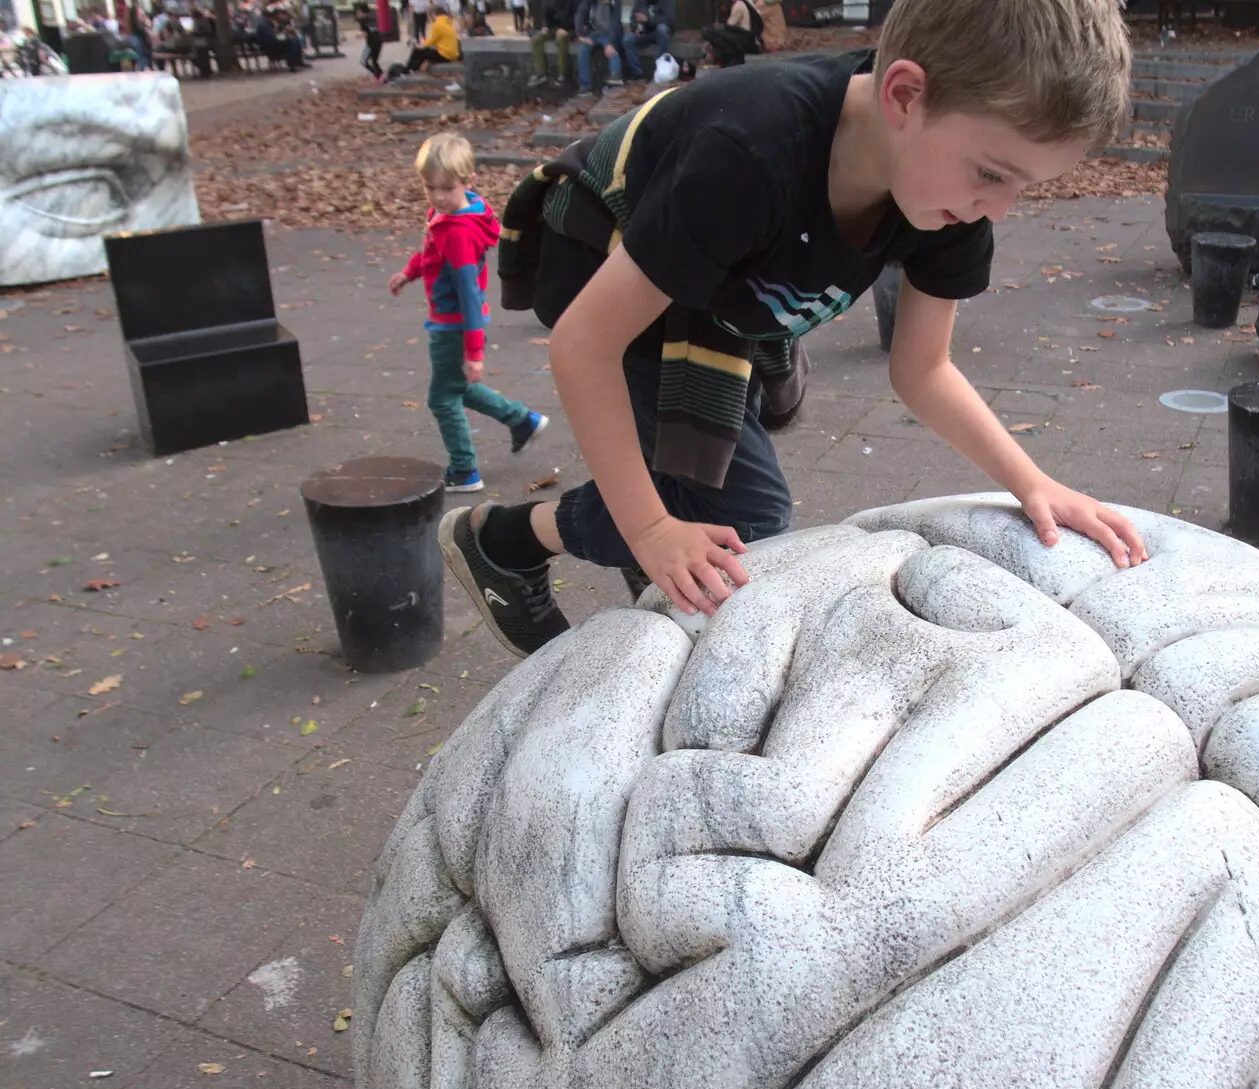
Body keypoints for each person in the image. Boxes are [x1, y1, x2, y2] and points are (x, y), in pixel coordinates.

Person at [441, 0, 1146, 657]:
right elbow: (585, 344)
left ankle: (636, 556)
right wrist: (650, 530)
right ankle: (505, 541)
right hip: (611, 259)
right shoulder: (749, 151)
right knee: (745, 516)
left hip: (727, 284)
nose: (999, 209)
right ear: (904, 95)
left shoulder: (951, 194)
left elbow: (923, 369)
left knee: (700, 489)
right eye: (994, 174)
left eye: (1025, 185)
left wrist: (1033, 483)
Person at [390, 134, 549, 494]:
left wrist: (475, 353)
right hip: (451, 322)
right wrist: (410, 272)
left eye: (446, 188)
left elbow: (469, 296)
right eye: (430, 187)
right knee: (457, 387)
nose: (437, 196)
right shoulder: (450, 214)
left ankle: (464, 470)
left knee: (442, 398)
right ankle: (522, 420)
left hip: (454, 325)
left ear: (468, 181)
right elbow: (431, 251)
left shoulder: (460, 232)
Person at [573, 0, 621, 91]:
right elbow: (580, 13)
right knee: (583, 50)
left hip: (609, 34)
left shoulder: (615, 2)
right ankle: (584, 85)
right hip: (593, 33)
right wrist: (580, 35)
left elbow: (616, 23)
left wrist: (611, 43)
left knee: (612, 52)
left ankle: (614, 79)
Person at [700, 0, 760, 69]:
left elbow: (730, 25)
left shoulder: (739, 5)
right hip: (746, 39)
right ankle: (730, 56)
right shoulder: (746, 3)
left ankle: (729, 52)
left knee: (706, 30)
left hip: (743, 38)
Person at [400, 3, 458, 73]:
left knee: (417, 52)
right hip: (452, 53)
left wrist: (422, 45)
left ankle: (408, 71)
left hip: (445, 55)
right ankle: (417, 70)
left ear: (433, 15)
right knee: (426, 52)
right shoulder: (448, 21)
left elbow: (431, 41)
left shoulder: (438, 24)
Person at [620, 0, 670, 81]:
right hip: (644, 33)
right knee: (627, 40)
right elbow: (633, 17)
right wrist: (635, 28)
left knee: (662, 29)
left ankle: (661, 67)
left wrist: (648, 20)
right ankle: (637, 73)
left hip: (657, 32)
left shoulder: (666, 2)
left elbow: (668, 20)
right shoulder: (640, 2)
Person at [529, 0, 576, 87]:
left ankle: (562, 74)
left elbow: (575, 16)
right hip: (553, 28)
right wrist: (546, 26)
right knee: (536, 40)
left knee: (560, 40)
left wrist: (565, 29)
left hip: (570, 28)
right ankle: (541, 73)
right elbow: (547, 15)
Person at [353, 0, 384, 77]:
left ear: (361, 11)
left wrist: (360, 35)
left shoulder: (363, 20)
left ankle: (379, 76)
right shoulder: (373, 16)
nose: (357, 14)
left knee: (364, 61)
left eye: (358, 12)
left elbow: (367, 32)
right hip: (378, 41)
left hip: (371, 43)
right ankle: (381, 76)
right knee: (374, 61)